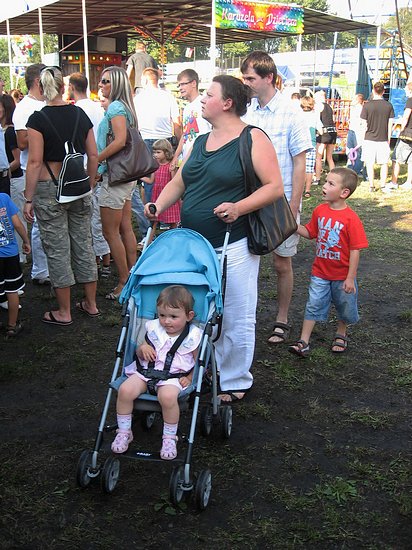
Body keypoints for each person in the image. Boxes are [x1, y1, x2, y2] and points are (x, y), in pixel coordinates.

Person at [145, 75, 284, 401]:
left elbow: (274, 186)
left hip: (232, 243)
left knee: (234, 313)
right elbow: (180, 182)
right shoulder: (200, 141)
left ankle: (234, 381)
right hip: (193, 243)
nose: (203, 99)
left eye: (209, 94)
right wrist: (158, 205)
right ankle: (203, 366)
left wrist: (238, 207)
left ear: (227, 103)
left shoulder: (252, 138)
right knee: (198, 308)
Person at [240, 51, 312, 346]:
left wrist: (293, 206)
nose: (246, 83)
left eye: (250, 78)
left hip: (280, 201)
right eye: (244, 78)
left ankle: (281, 319)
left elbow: (300, 162)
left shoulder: (291, 112)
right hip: (249, 199)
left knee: (282, 263)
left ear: (268, 77)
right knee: (248, 262)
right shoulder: (248, 111)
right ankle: (247, 317)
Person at [23, 66, 100, 325]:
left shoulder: (37, 119)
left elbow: (35, 162)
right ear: (62, 86)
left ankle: (64, 311)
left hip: (49, 189)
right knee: (84, 244)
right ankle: (91, 304)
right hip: (79, 187)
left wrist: (28, 198)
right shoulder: (79, 113)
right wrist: (90, 183)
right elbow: (93, 154)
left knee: (57, 249)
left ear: (41, 87)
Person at [111, 285, 202, 458]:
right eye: (162, 315)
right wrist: (142, 349)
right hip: (145, 372)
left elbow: (199, 362)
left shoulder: (193, 337)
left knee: (167, 397)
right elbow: (141, 350)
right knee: (124, 390)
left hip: (173, 377)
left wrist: (190, 377)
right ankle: (124, 431)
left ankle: (169, 438)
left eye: (173, 317)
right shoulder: (154, 329)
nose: (166, 321)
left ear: (189, 316)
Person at [288, 168, 368, 357]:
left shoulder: (351, 219)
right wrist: (292, 227)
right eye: (325, 181)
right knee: (313, 304)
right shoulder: (320, 210)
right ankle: (303, 341)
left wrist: (350, 278)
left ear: (344, 192)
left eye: (330, 183)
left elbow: (355, 250)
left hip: (342, 276)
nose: (324, 186)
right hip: (320, 273)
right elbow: (310, 233)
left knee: (344, 305)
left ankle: (341, 332)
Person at [97, 66, 138, 301]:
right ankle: (131, 275)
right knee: (124, 227)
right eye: (101, 80)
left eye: (106, 81)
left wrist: (97, 159)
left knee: (110, 231)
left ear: (117, 84)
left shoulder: (115, 107)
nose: (101, 84)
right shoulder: (126, 106)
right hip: (126, 176)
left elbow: (120, 141)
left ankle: (123, 281)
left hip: (116, 177)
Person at [68, 72, 111, 275]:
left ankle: (95, 261)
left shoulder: (75, 111)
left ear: (71, 87)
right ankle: (104, 259)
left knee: (87, 219)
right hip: (99, 164)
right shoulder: (98, 107)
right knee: (99, 217)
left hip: (83, 167)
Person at [13, 63, 50, 286]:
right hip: (33, 171)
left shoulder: (47, 103)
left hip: (51, 171)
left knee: (49, 221)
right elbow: (22, 142)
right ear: (38, 81)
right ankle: (40, 270)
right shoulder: (24, 108)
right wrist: (46, 133)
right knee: (38, 222)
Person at [133, 67, 182, 203]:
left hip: (145, 140)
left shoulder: (138, 99)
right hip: (165, 141)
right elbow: (177, 123)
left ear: (145, 80)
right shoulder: (168, 96)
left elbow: (134, 124)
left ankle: (151, 211)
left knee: (150, 181)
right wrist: (180, 143)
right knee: (168, 178)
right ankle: (168, 208)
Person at [0, 192, 31, 337]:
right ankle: (12, 326)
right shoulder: (4, 198)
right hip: (10, 254)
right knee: (12, 291)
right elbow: (17, 224)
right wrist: (26, 241)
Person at [0, 95, 26, 263]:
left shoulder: (10, 132)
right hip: (9, 179)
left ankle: (20, 254)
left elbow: (17, 159)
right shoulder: (3, 130)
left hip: (14, 180)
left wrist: (6, 171)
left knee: (15, 217)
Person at [170, 69, 211, 171]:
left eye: (183, 84)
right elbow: (185, 134)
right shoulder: (187, 108)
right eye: (179, 85)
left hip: (202, 161)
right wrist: (176, 156)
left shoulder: (204, 103)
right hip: (187, 161)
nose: (180, 88)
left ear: (193, 83)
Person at [360, 81, 394, 192]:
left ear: (373, 91)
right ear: (383, 91)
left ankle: (371, 185)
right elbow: (390, 125)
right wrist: (388, 139)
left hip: (369, 138)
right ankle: (383, 185)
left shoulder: (367, 105)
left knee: (370, 163)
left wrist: (362, 139)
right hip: (383, 138)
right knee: (384, 163)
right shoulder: (388, 105)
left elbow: (364, 125)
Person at [387, 82, 412, 192]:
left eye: (406, 89)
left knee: (396, 158)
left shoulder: (410, 100)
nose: (405, 91)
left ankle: (394, 182)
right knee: (411, 161)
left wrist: (401, 130)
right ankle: (409, 182)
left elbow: (406, 117)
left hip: (407, 134)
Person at [151, 139, 180, 230]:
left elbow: (174, 181)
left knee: (173, 221)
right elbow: (151, 180)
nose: (155, 155)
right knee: (155, 219)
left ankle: (174, 236)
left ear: (166, 152)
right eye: (154, 152)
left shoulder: (170, 166)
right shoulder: (155, 165)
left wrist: (173, 170)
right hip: (157, 195)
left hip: (169, 195)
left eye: (158, 152)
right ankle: (149, 238)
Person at [300, 95, 322, 198]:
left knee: (299, 167)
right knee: (309, 168)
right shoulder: (314, 116)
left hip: (299, 144)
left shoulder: (297, 115)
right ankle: (307, 190)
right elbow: (321, 130)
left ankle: (299, 189)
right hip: (310, 144)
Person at [314, 90, 336, 184]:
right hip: (333, 132)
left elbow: (317, 120)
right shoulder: (329, 107)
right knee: (329, 157)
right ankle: (333, 178)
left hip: (323, 132)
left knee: (318, 157)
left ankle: (318, 178)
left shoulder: (318, 106)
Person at [346, 93, 367, 178]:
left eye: (354, 99)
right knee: (350, 149)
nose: (352, 100)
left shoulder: (361, 109)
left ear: (358, 100)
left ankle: (356, 170)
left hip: (358, 132)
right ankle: (351, 167)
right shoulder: (353, 109)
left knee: (357, 151)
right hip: (351, 130)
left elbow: (364, 123)